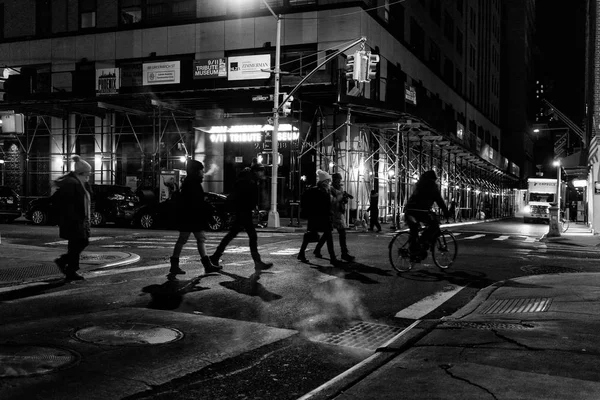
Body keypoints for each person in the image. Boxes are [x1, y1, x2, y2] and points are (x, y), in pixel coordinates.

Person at [209, 159, 273, 271]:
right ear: (256, 171)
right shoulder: (248, 181)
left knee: (232, 235)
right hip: (243, 211)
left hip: (243, 211)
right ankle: (257, 262)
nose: (262, 174)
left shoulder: (248, 179)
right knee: (251, 236)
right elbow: (245, 197)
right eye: (261, 171)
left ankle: (216, 256)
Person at [169, 160, 221, 277]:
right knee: (195, 239)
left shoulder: (189, 182)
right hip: (192, 217)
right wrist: (208, 214)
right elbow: (198, 203)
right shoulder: (194, 184)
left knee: (190, 239)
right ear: (197, 171)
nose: (203, 173)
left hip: (188, 217)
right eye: (201, 170)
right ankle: (206, 265)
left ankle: (175, 265)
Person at [52, 155, 93, 281]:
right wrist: (72, 218)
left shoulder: (79, 183)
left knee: (77, 244)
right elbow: (64, 202)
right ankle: (68, 267)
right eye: (87, 174)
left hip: (78, 220)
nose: (88, 176)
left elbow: (88, 196)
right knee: (79, 243)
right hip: (73, 221)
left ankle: (69, 267)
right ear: (81, 173)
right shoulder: (72, 183)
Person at [404, 170, 449, 260]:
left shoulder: (419, 184)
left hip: (410, 210)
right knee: (434, 225)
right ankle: (421, 244)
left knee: (414, 229)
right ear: (433, 179)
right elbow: (439, 200)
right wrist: (446, 211)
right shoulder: (432, 186)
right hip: (419, 211)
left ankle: (415, 251)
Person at [297, 169, 339, 265]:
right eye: (328, 181)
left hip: (316, 218)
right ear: (324, 182)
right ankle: (332, 258)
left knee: (312, 235)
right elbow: (326, 204)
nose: (329, 183)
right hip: (321, 217)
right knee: (327, 236)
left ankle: (302, 253)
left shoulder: (316, 190)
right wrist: (335, 200)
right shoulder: (321, 191)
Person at [313, 172, 355, 262]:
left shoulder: (340, 188)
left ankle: (319, 250)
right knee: (329, 234)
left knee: (335, 234)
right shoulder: (331, 189)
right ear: (334, 180)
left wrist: (345, 199)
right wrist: (341, 197)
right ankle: (341, 254)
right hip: (332, 213)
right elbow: (332, 200)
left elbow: (342, 201)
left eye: (340, 179)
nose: (339, 181)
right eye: (337, 179)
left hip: (339, 213)